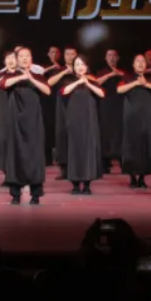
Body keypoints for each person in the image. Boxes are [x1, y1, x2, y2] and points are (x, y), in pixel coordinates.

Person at [0, 47, 49, 205]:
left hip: (34, 121)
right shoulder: (10, 75)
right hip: (16, 122)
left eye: (27, 56)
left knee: (35, 155)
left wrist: (31, 78)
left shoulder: (38, 76)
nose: (24, 58)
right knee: (15, 155)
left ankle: (35, 194)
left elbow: (47, 90)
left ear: (31, 58)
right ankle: (15, 194)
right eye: (21, 56)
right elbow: (3, 84)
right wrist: (21, 77)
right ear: (16, 59)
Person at [60, 53, 104, 195]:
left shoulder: (92, 80)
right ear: (73, 67)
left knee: (88, 150)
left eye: (82, 64)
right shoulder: (69, 80)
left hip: (89, 121)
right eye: (77, 64)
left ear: (87, 66)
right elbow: (64, 92)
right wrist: (78, 82)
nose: (80, 67)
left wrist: (87, 83)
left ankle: (86, 184)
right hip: (74, 121)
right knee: (74, 150)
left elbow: (102, 94)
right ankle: (74, 184)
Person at [117, 54, 151, 189]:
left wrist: (146, 84)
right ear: (133, 64)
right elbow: (119, 90)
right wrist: (136, 83)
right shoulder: (127, 77)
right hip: (131, 117)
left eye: (143, 61)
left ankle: (142, 178)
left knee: (146, 146)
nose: (141, 63)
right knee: (131, 146)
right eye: (138, 61)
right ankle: (132, 177)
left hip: (147, 117)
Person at [47, 47, 78, 179]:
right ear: (64, 56)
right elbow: (50, 82)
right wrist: (65, 71)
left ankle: (77, 167)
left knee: (76, 135)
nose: (70, 56)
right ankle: (63, 168)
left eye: (72, 54)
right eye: (67, 54)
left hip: (78, 105)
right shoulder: (59, 70)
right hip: (62, 106)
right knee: (62, 135)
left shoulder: (81, 68)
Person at [0, 51, 20, 181]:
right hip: (4, 112)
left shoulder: (22, 74)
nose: (11, 60)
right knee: (4, 141)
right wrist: (4, 78)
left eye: (13, 58)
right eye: (8, 58)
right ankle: (7, 174)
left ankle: (20, 174)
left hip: (20, 112)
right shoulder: (0, 75)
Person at [95, 48, 125, 175]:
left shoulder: (123, 72)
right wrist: (110, 75)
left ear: (118, 58)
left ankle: (123, 161)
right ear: (105, 58)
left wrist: (118, 73)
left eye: (114, 56)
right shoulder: (101, 72)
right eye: (109, 55)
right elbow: (96, 82)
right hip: (105, 105)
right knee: (105, 132)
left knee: (121, 132)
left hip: (120, 105)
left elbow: (130, 80)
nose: (111, 58)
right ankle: (105, 162)